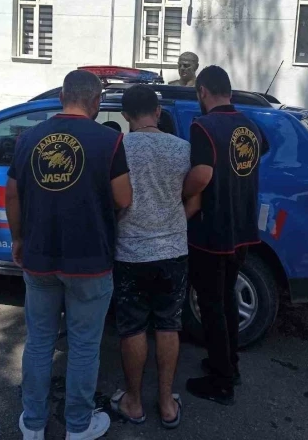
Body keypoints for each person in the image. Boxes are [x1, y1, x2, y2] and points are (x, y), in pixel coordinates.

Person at [5, 70, 132, 440]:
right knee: (84, 346)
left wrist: (18, 238)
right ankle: (78, 426)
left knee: (39, 342)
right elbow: (124, 198)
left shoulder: (28, 138)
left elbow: (11, 194)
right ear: (96, 103)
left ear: (62, 97)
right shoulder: (109, 140)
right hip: (90, 260)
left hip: (39, 257)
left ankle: (33, 424)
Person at [109, 85, 198, 429]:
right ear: (158, 112)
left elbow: (115, 200)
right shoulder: (183, 149)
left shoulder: (119, 148)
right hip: (173, 252)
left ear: (125, 116)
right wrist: (172, 224)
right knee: (168, 325)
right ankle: (166, 403)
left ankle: (133, 402)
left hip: (130, 252)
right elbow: (194, 197)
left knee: (132, 327)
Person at [182, 65, 269, 405]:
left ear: (202, 91)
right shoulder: (250, 125)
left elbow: (202, 175)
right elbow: (259, 151)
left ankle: (221, 382)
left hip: (212, 231)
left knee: (211, 305)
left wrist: (181, 194)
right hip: (242, 230)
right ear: (229, 91)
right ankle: (229, 365)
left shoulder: (203, 126)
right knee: (227, 298)